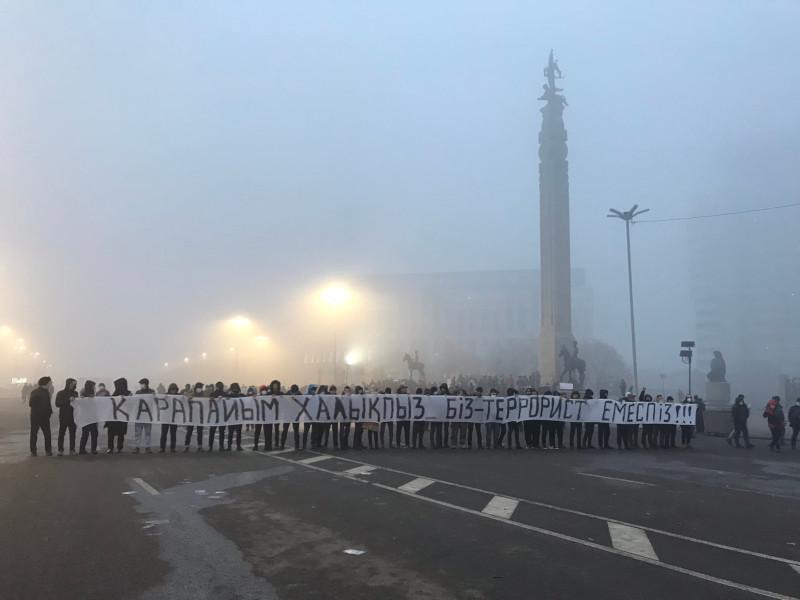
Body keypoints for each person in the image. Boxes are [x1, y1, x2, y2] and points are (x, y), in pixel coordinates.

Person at [29, 376, 53, 457]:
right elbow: (31, 403)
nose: (51, 383)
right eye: (50, 382)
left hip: (45, 416)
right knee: (34, 434)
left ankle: (48, 450)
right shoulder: (35, 392)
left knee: (47, 434)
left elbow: (48, 404)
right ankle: (33, 451)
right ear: (46, 383)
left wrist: (49, 412)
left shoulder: (47, 392)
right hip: (36, 416)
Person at [55, 378, 78, 456]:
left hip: (73, 417)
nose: (75, 385)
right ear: (69, 384)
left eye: (75, 384)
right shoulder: (61, 393)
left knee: (72, 434)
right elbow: (57, 404)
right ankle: (60, 450)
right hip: (63, 416)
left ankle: (72, 449)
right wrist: (68, 400)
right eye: (73, 384)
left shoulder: (75, 393)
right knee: (61, 433)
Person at [106, 378, 130, 453]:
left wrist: (127, 398)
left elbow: (131, 404)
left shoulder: (128, 394)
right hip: (113, 417)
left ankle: (119, 447)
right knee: (111, 433)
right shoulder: (114, 394)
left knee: (121, 433)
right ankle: (110, 448)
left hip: (122, 417)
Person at [134, 378, 155, 454]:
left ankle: (147, 447)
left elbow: (155, 401)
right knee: (138, 432)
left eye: (142, 384)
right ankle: (137, 447)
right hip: (139, 416)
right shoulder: (138, 392)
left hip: (148, 416)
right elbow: (133, 402)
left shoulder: (151, 392)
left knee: (148, 433)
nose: (141, 385)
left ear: (146, 384)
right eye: (141, 384)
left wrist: (154, 396)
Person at [78, 380, 99, 454]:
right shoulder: (83, 393)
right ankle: (82, 449)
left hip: (92, 416)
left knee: (94, 433)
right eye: (93, 386)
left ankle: (93, 449)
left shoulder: (93, 392)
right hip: (86, 416)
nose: (94, 387)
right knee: (85, 433)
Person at [184, 382, 205, 452]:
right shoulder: (192, 394)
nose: (199, 389)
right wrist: (189, 398)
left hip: (200, 416)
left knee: (200, 432)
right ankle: (186, 446)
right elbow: (186, 401)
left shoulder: (203, 395)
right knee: (189, 431)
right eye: (198, 387)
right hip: (192, 416)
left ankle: (200, 446)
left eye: (200, 388)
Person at [159, 383, 180, 452]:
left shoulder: (179, 396)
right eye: (172, 390)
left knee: (173, 433)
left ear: (176, 390)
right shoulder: (165, 395)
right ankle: (162, 448)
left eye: (174, 390)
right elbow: (160, 403)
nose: (173, 391)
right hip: (165, 417)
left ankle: (172, 448)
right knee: (164, 433)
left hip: (174, 418)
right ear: (169, 389)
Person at [208, 381, 227, 451]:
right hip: (221, 416)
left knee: (212, 432)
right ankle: (221, 446)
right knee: (221, 432)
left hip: (214, 416)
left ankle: (210, 446)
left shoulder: (213, 394)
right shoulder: (224, 394)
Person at [226, 383, 244, 451]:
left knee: (238, 432)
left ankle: (238, 445)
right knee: (231, 432)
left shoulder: (241, 395)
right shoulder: (229, 396)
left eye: (236, 387)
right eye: (234, 388)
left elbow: (249, 399)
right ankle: (229, 445)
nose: (235, 389)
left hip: (239, 417)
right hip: (231, 417)